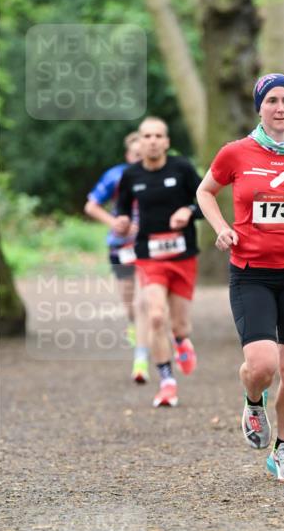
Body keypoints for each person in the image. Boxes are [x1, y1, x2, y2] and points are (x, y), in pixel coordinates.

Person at [196, 72, 284, 482]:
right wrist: (221, 227)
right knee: (262, 366)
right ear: (259, 107)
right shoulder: (236, 153)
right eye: (272, 101)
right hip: (251, 274)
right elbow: (205, 191)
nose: (280, 108)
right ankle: (253, 398)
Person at [113, 117, 202, 408]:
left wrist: (189, 212)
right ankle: (167, 382)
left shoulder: (182, 168)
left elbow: (204, 201)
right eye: (147, 136)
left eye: (157, 136)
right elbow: (123, 209)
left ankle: (181, 341)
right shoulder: (131, 175)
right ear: (139, 142)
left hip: (182, 255)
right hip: (149, 256)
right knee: (155, 316)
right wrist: (122, 221)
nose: (152, 141)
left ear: (166, 142)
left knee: (179, 324)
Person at [84, 132, 149, 383]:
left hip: (150, 246)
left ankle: (142, 357)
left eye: (143, 154)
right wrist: (115, 224)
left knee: (145, 299)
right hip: (121, 247)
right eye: (135, 154)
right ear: (127, 155)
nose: (139, 158)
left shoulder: (158, 175)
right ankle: (134, 324)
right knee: (129, 300)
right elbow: (91, 206)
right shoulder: (115, 176)